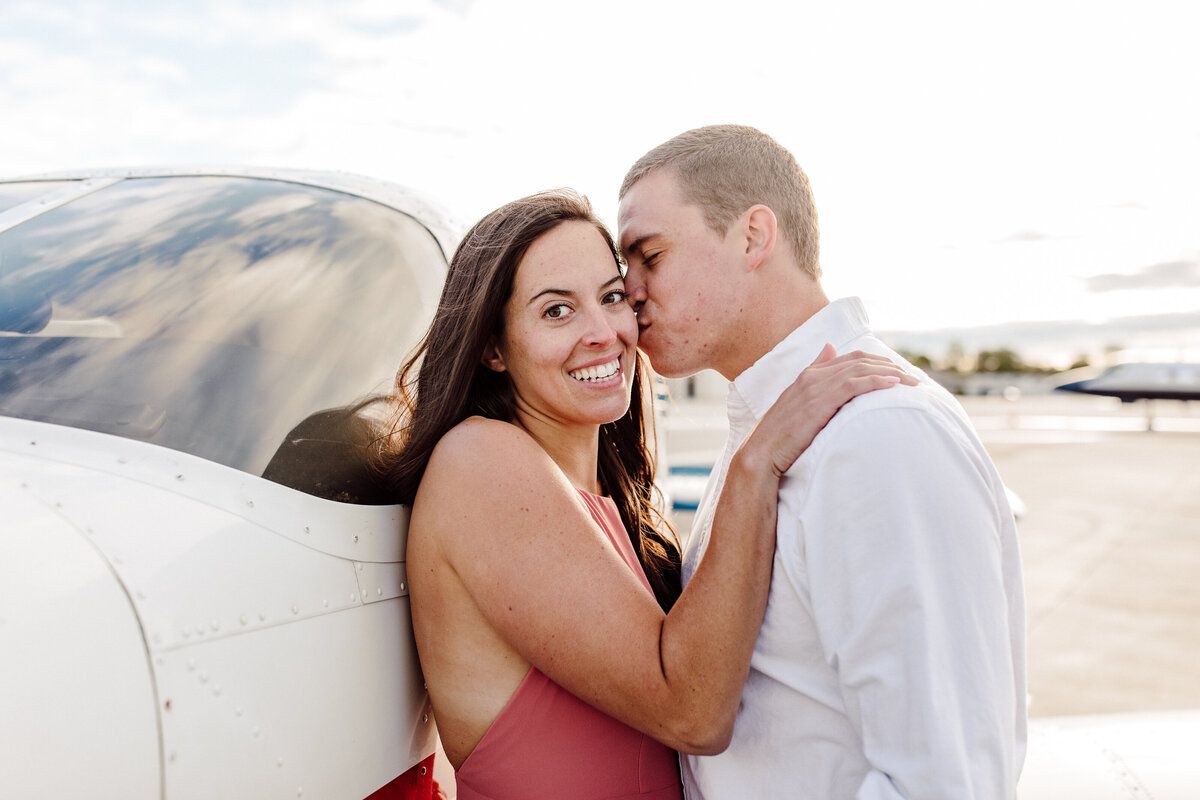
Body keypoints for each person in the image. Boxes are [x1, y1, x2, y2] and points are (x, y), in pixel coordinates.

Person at [378, 189, 915, 800]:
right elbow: (692, 711)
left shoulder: (604, 493)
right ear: (493, 348)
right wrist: (758, 462)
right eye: (557, 312)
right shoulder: (479, 461)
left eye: (612, 298)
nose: (603, 332)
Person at [617, 125, 1027, 799]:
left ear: (753, 236)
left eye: (649, 255)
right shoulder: (774, 429)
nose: (628, 291)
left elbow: (943, 783)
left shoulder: (878, 436)